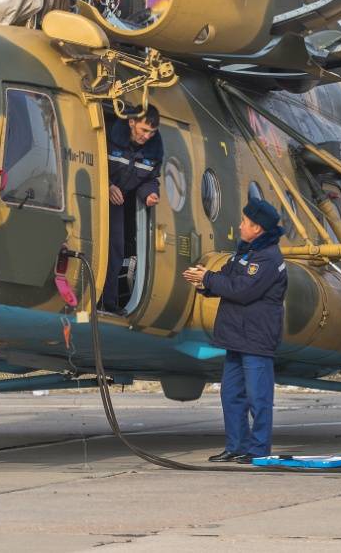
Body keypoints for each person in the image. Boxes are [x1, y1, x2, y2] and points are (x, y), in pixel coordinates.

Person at [182, 198, 286, 464]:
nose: (240, 226)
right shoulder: (246, 253)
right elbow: (227, 277)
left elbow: (242, 290)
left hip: (255, 337)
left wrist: (208, 278)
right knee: (231, 394)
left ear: (258, 228)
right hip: (235, 337)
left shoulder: (268, 259)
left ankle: (259, 449)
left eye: (245, 222)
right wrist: (203, 282)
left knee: (258, 397)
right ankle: (237, 446)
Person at [100, 105, 163, 313]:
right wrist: (107, 185)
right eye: (144, 130)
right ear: (131, 122)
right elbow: (93, 162)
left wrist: (150, 194)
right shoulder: (109, 136)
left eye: (152, 132)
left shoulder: (153, 152)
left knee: (116, 248)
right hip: (99, 195)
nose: (147, 136)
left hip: (118, 202)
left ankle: (108, 301)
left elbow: (149, 179)